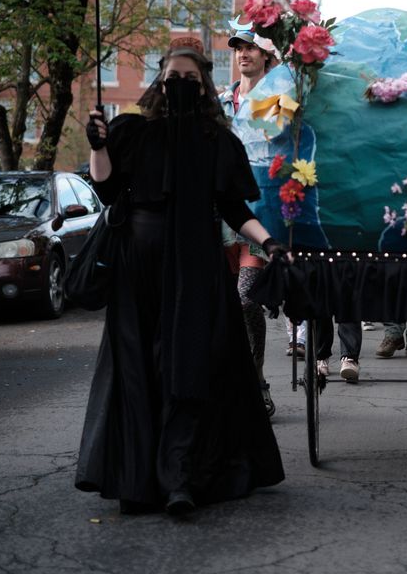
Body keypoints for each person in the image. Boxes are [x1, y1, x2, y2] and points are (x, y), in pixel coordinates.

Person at [76, 38, 286, 517]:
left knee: (189, 368)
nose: (181, 86)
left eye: (191, 80)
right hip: (138, 271)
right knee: (138, 371)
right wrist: (98, 146)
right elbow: (107, 189)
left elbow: (234, 208)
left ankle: (180, 479)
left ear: (205, 84)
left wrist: (268, 242)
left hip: (196, 268)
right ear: (160, 80)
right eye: (173, 78)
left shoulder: (218, 142)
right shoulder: (131, 130)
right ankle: (137, 478)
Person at [220, 28, 284, 416]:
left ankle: (257, 382)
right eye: (239, 49)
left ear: (265, 56)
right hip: (219, 216)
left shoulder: (277, 98)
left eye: (251, 48)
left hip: (257, 214)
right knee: (220, 306)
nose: (244, 54)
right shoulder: (219, 101)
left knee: (246, 301)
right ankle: (226, 385)